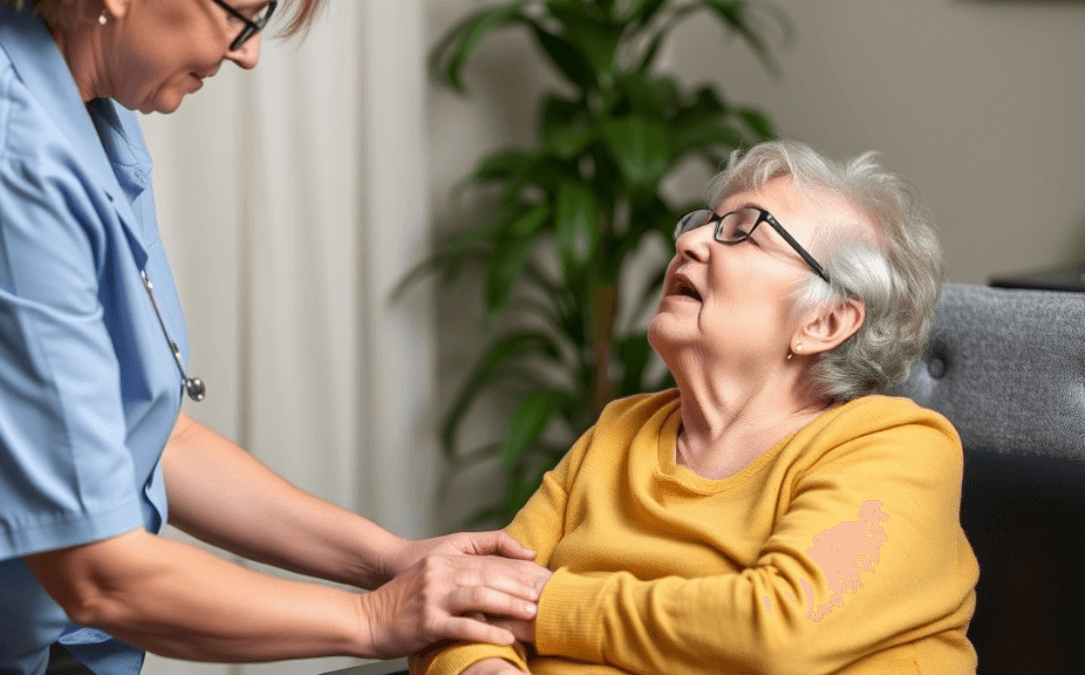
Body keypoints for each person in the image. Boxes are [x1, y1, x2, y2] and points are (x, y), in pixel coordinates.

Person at [0, 1, 549, 674]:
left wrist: (390, 559)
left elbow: (147, 435)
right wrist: (376, 617)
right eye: (243, 13)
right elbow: (97, 570)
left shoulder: (71, 93)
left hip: (21, 634)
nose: (248, 51)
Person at [413, 141, 980, 675]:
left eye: (744, 233)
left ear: (825, 321)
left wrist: (546, 606)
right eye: (703, 222)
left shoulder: (899, 448)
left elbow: (777, 629)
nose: (689, 243)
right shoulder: (619, 432)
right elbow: (466, 603)